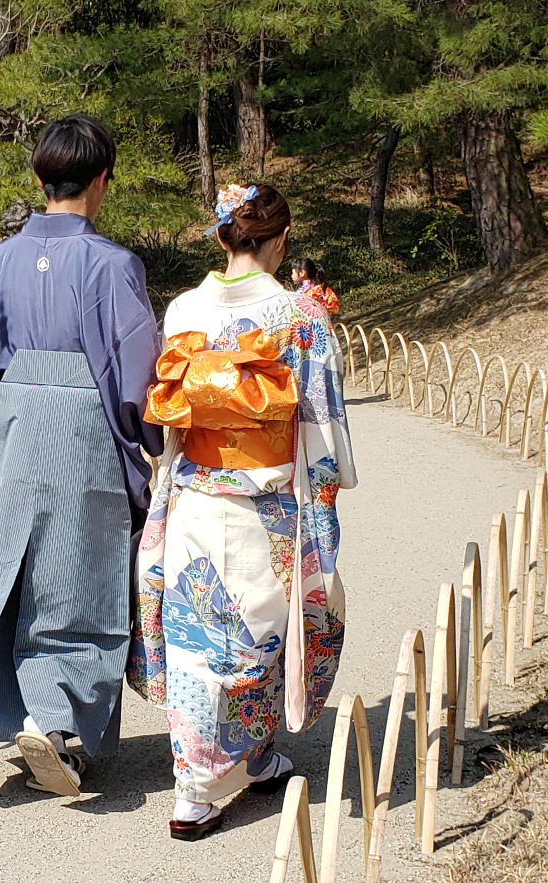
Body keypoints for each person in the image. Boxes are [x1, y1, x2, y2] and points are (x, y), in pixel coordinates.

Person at [0, 115, 164, 797]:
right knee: (88, 574)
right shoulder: (112, 265)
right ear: (101, 181)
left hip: (18, 426)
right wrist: (146, 445)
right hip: (86, 427)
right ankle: (54, 719)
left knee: (19, 569)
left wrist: (10, 421)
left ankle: (33, 712)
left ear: (40, 179)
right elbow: (136, 379)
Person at [128, 183, 357, 839]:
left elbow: (169, 420)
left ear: (224, 236)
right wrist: (323, 492)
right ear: (280, 238)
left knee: (204, 634)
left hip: (198, 493)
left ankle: (251, 758)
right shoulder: (300, 317)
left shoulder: (182, 310)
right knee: (254, 632)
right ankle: (195, 789)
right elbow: (321, 422)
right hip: (268, 502)